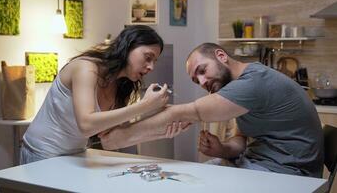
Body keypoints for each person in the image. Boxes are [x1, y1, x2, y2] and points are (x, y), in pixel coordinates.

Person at [100, 42, 324, 178]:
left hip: (289, 175)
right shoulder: (240, 88)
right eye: (196, 79)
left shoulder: (254, 82)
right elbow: (241, 139)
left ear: (221, 56)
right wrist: (222, 149)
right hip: (257, 163)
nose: (202, 81)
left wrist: (118, 138)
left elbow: (186, 112)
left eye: (202, 70)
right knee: (189, 178)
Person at [20, 25, 181, 164]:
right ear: (127, 47)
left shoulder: (122, 86)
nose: (151, 67)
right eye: (148, 58)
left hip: (75, 156)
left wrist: (160, 131)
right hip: (40, 153)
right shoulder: (86, 68)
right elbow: (86, 125)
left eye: (154, 62)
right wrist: (144, 106)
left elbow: (110, 140)